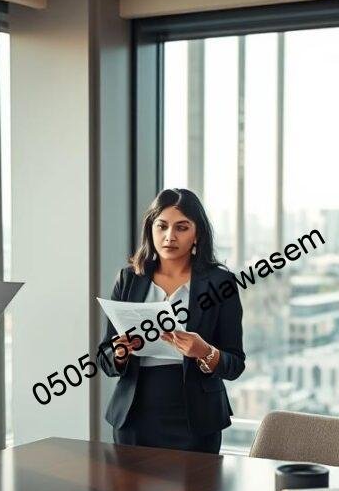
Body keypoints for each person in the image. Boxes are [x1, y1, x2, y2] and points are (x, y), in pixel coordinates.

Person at [98, 188, 245, 454]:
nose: (169, 236)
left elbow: (235, 364)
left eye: (182, 227)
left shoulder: (221, 284)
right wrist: (119, 352)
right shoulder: (129, 279)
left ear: (197, 232)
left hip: (196, 418)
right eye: (162, 226)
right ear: (150, 229)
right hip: (134, 415)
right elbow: (105, 356)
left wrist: (206, 352)